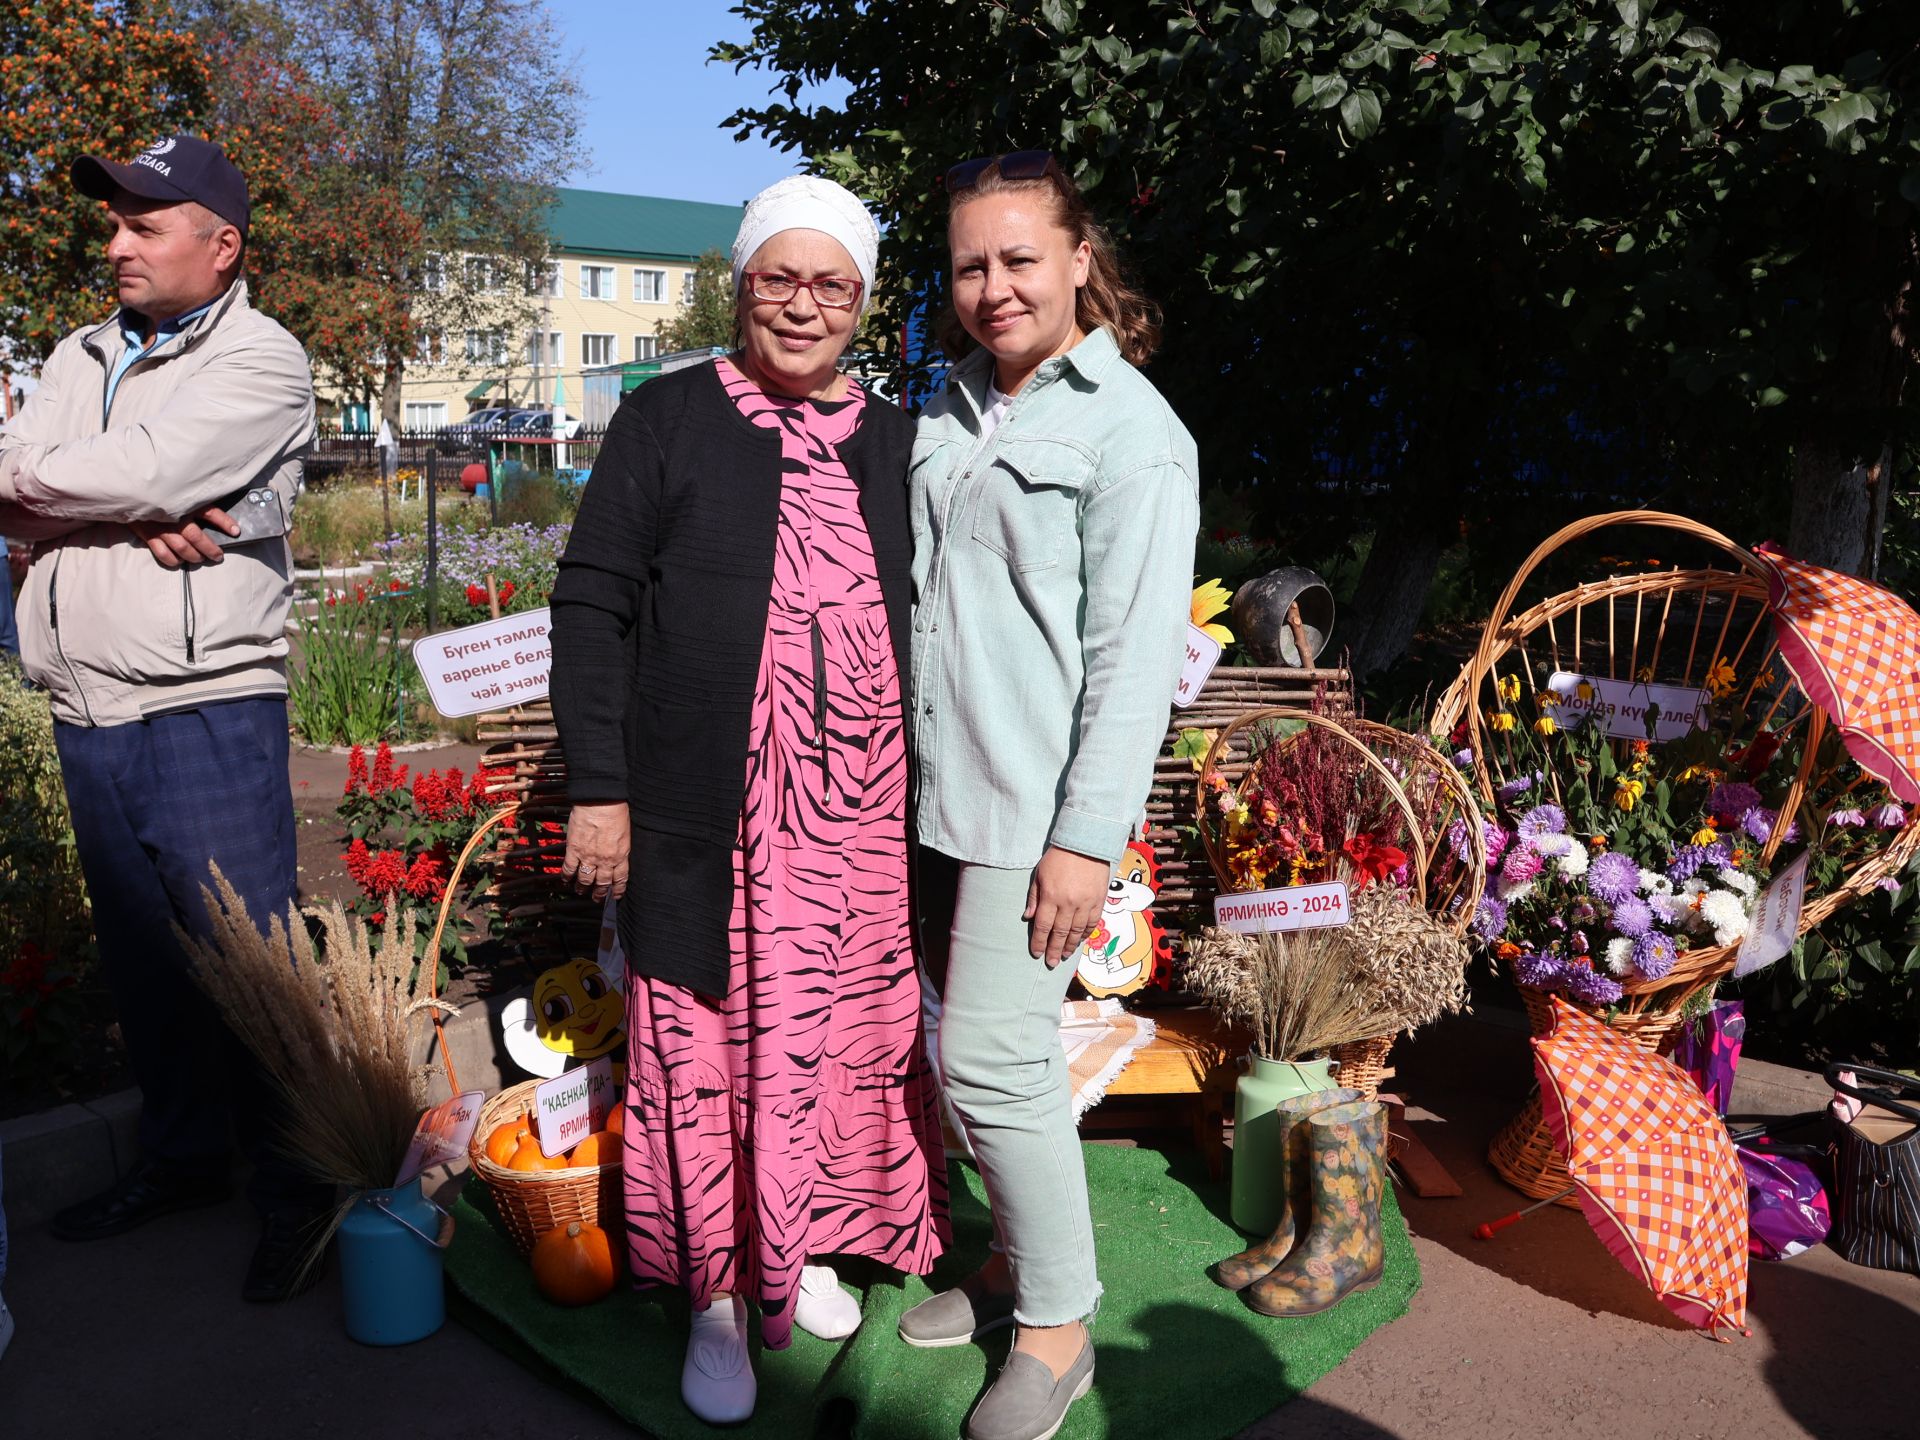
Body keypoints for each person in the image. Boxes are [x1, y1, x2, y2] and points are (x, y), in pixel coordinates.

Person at [550, 175, 949, 1426]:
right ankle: (719, 1295)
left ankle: (811, 1244)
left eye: (829, 284)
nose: (801, 305)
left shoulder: (897, 440)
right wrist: (601, 790)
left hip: (860, 832)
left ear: (864, 305)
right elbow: (592, 603)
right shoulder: (668, 418)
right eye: (777, 277)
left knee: (836, 1046)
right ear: (738, 285)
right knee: (709, 1049)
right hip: (710, 819)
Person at [897, 152, 1199, 1440]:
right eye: (971, 264)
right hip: (919, 794)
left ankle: (1061, 1330)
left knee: (990, 1058)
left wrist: (1085, 840)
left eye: (1021, 258)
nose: (993, 286)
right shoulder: (951, 407)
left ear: (1081, 260)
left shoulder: (1133, 432)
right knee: (944, 1054)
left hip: (1030, 813)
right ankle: (1016, 1259)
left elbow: (1136, 658)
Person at [0, 135, 326, 1300]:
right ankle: (185, 1161)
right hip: (87, 698)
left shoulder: (262, 357)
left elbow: (131, 471)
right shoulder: (74, 350)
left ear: (221, 245)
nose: (117, 241)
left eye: (145, 222)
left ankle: (301, 1188)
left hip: (204, 703)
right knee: (144, 960)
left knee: (252, 963)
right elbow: (57, 472)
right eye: (114, 220)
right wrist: (105, 497)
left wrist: (92, 493)